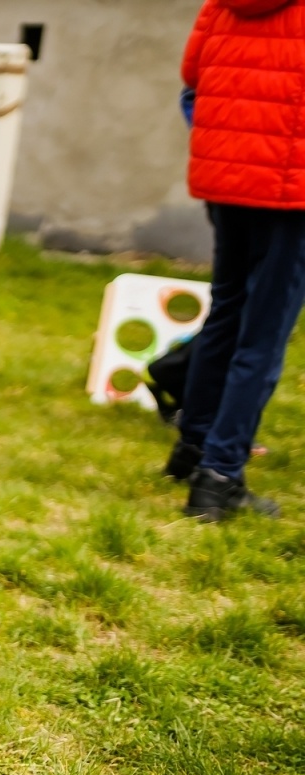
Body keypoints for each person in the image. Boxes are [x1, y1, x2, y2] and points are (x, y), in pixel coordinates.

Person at [171, 0, 305, 520]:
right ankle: (220, 476)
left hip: (225, 181)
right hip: (290, 192)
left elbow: (192, 79)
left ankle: (192, 447)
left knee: (227, 312)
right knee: (263, 335)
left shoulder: (219, 5)